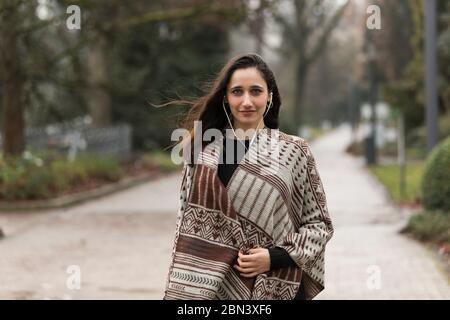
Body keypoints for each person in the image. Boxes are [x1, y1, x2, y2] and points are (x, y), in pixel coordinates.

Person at [163, 53, 333, 300]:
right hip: (214, 289)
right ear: (225, 97)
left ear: (269, 95)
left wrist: (272, 258)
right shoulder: (202, 154)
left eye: (255, 91)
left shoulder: (294, 151)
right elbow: (184, 228)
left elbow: (320, 226)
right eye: (237, 92)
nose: (246, 101)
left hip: (276, 285)